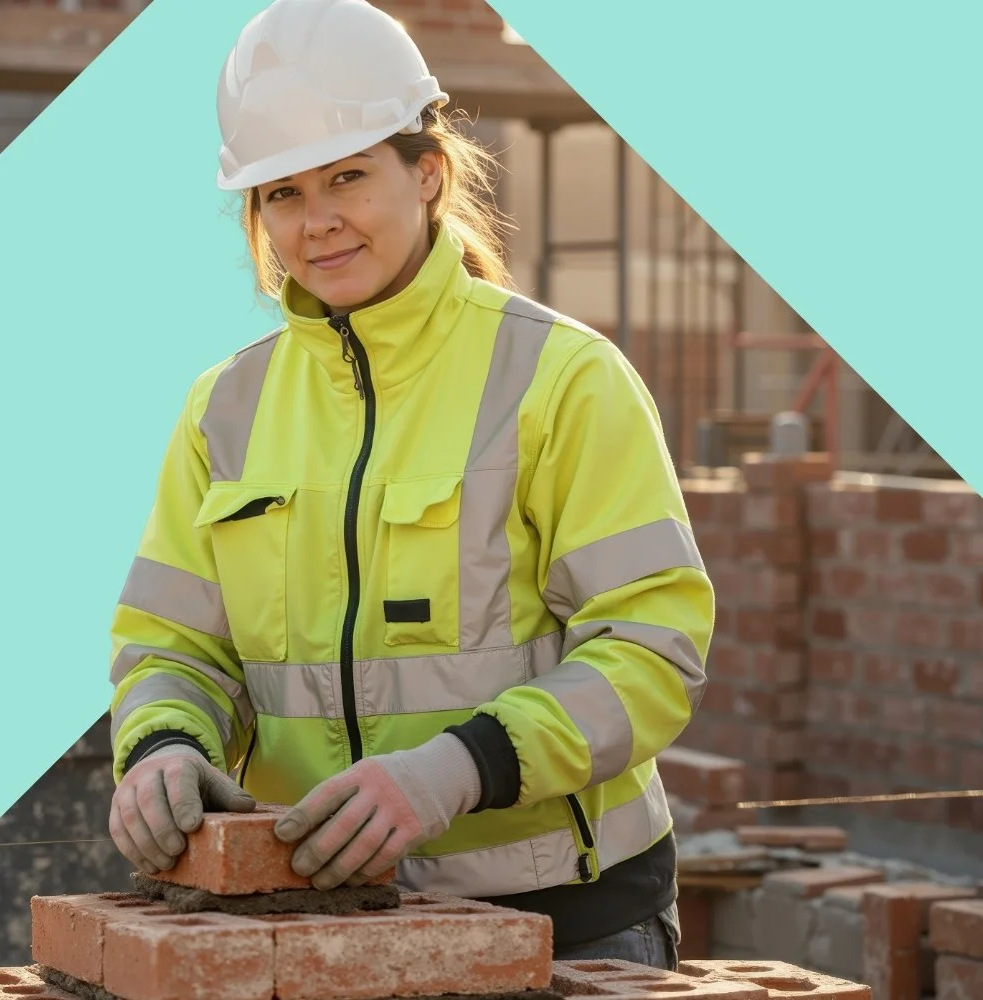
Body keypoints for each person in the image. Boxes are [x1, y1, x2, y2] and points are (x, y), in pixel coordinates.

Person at [105, 0, 714, 970]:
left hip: (566, 921)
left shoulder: (561, 378)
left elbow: (653, 645)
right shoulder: (224, 407)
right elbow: (172, 643)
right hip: (311, 926)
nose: (320, 220)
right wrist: (165, 746)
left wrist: (456, 769)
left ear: (426, 172)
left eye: (348, 176)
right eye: (283, 194)